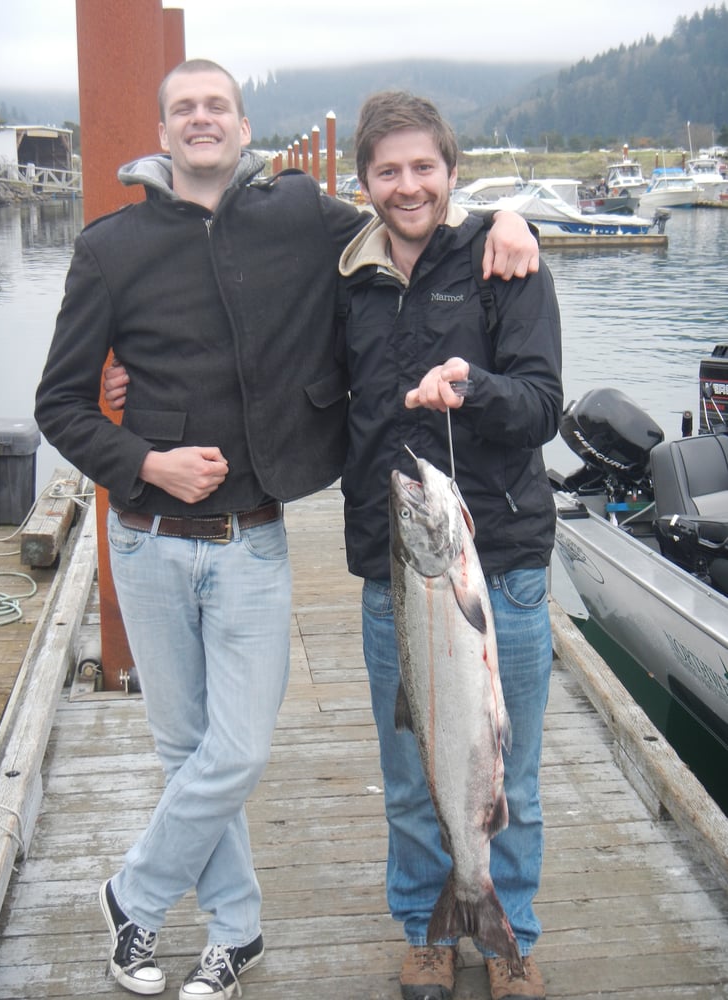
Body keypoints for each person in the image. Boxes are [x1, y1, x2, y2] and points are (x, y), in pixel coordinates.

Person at [37, 59, 539, 1000]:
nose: (200, 120)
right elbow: (60, 403)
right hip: (145, 540)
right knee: (188, 757)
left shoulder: (305, 215)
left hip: (256, 536)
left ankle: (133, 895)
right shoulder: (110, 247)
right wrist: (141, 459)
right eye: (182, 107)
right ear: (162, 128)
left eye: (215, 106)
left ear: (241, 124)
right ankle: (237, 931)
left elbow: (420, 223)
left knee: (238, 753)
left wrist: (512, 219)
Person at [336, 92, 563, 1000]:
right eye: (387, 171)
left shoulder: (505, 262)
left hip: (498, 569)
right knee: (412, 775)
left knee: (514, 777)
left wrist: (472, 391)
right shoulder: (346, 276)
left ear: (453, 172)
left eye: (423, 167)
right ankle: (428, 927)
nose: (407, 185)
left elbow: (543, 401)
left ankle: (508, 936)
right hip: (393, 572)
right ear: (363, 182)